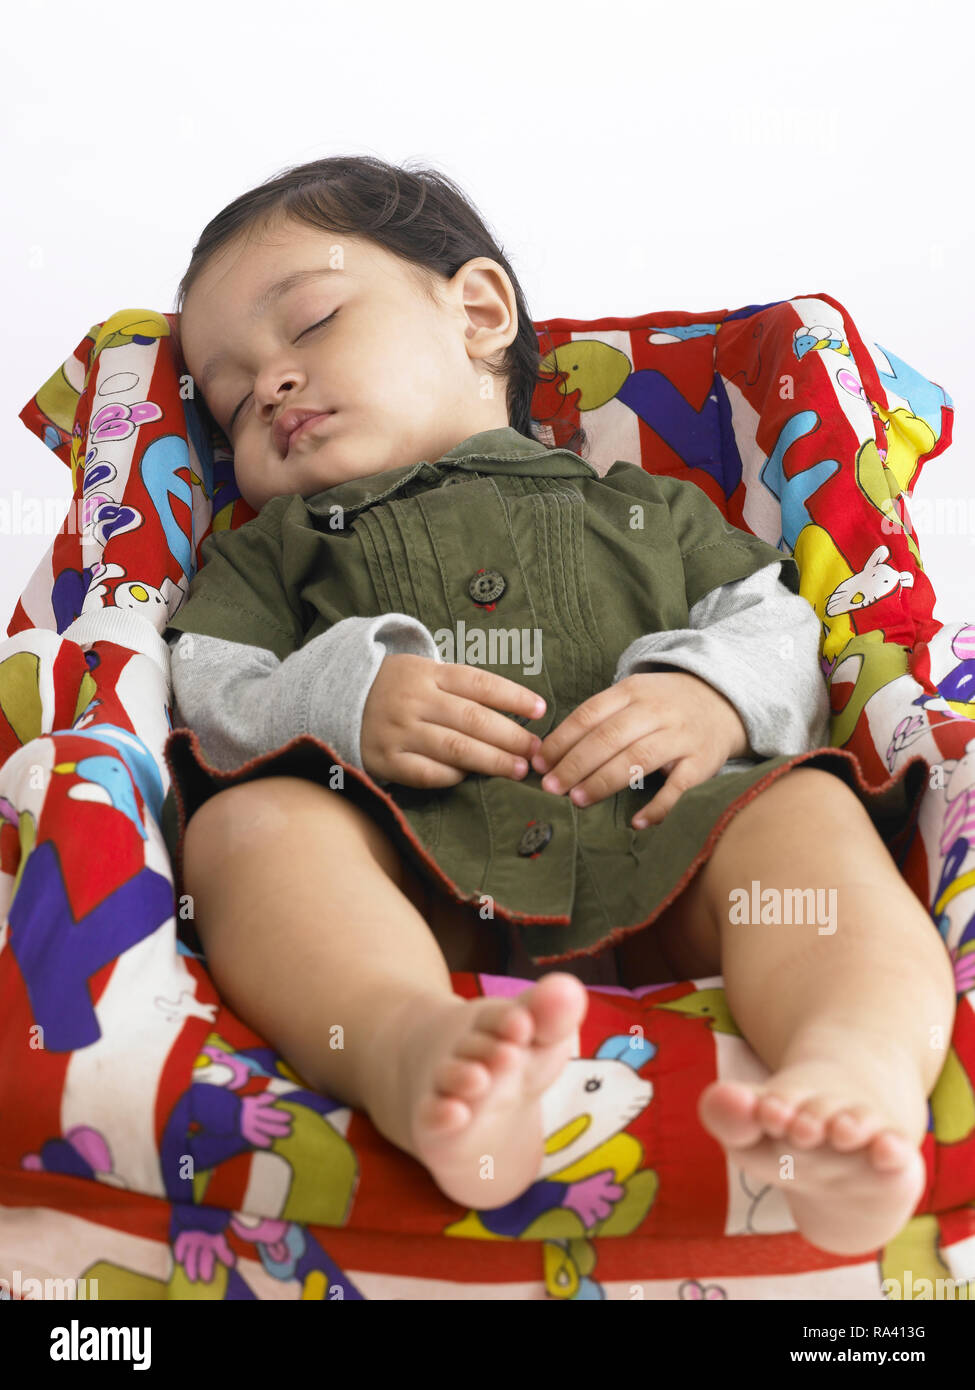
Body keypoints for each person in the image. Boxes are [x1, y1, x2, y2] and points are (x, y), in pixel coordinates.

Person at [159, 155, 954, 1257]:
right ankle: (416, 1049)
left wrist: (705, 693)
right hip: (406, 871)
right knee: (248, 831)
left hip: (663, 844)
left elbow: (784, 631)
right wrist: (341, 696)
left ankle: (851, 1080)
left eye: (313, 323)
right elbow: (206, 689)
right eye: (236, 401)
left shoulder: (652, 509)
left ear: (478, 311)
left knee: (804, 820)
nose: (274, 389)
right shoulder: (279, 551)